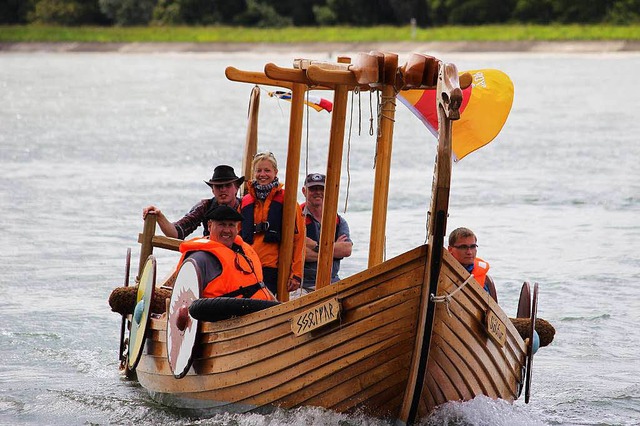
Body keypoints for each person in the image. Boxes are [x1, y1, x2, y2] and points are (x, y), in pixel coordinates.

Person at [176, 205, 275, 301]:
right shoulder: (200, 259)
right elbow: (186, 301)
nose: (227, 230)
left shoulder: (244, 250)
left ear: (237, 228)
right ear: (209, 226)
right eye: (222, 224)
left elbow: (259, 284)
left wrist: (277, 305)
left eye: (231, 225)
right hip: (228, 315)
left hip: (261, 311)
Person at [240, 151, 303, 297]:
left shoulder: (288, 200)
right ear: (253, 173)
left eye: (267, 170)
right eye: (259, 170)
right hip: (247, 267)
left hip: (274, 269)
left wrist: (296, 274)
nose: (263, 174)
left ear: (275, 172)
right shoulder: (245, 202)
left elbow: (298, 239)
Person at [142, 165, 244, 239]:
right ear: (212, 190)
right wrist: (159, 216)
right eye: (218, 186)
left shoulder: (247, 207)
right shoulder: (205, 206)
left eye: (227, 185)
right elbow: (177, 233)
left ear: (237, 188)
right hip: (211, 258)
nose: (223, 189)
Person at [295, 173, 352, 297]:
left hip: (333, 282)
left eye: (321, 189)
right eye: (313, 189)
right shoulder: (296, 218)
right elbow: (300, 253)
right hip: (302, 285)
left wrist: (314, 246)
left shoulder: (338, 220)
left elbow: (346, 250)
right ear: (304, 191)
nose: (318, 192)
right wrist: (333, 250)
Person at [447, 227, 498, 302]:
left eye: (473, 246)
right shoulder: (441, 273)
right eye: (463, 247)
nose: (469, 252)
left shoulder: (485, 281)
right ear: (450, 249)